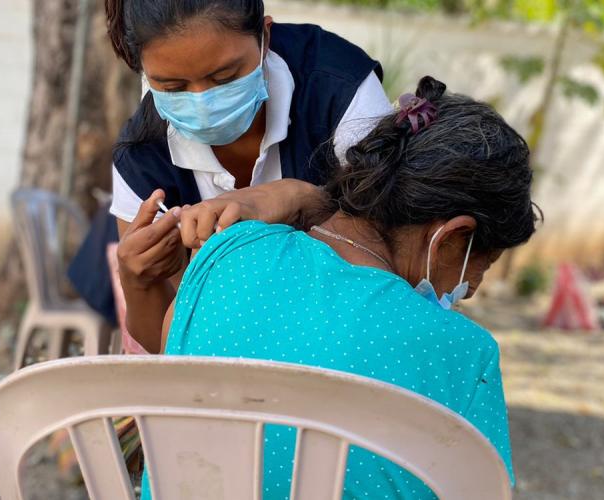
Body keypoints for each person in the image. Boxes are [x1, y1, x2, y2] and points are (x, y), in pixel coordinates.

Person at [140, 77, 539, 498]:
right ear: (454, 235)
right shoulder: (463, 351)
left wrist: (296, 195)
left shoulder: (225, 255)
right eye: (482, 265)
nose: (470, 289)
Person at [105, 0, 393, 352]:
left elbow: (395, 253)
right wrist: (139, 281)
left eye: (224, 78)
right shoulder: (141, 159)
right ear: (146, 74)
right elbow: (168, 353)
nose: (203, 102)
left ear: (265, 38)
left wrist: (299, 201)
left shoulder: (339, 91)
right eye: (173, 87)